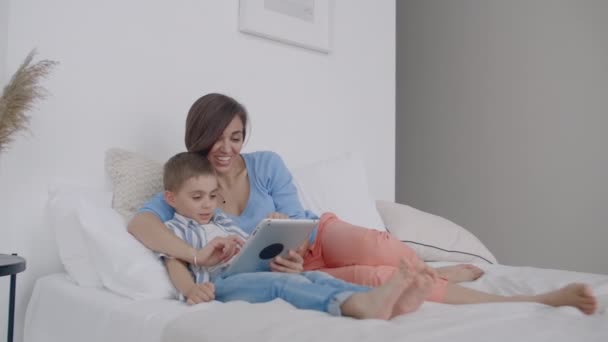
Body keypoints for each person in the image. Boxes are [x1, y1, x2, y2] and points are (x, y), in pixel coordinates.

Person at [129, 93, 597, 314]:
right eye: (218, 137)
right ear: (199, 137)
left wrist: (288, 232)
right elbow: (141, 225)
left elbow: (299, 217)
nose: (227, 147)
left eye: (236, 136)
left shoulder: (266, 163)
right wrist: (193, 257)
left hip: (314, 236)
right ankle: (530, 299)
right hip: (287, 269)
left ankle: (441, 270)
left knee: (378, 250)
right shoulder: (191, 185)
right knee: (381, 278)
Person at [158, 151, 434, 319]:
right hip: (221, 286)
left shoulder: (223, 221)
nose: (207, 204)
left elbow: (251, 249)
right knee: (282, 287)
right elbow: (175, 264)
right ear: (171, 198)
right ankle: (352, 304)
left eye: (213, 196)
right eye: (197, 197)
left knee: (313, 277)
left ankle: (387, 300)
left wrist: (268, 235)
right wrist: (192, 290)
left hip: (251, 272)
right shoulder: (175, 229)